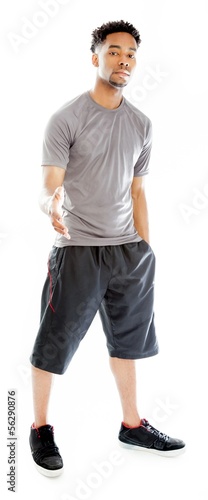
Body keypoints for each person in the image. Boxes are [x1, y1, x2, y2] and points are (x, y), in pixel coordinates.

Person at [29, 20, 185, 477]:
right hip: (77, 249)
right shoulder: (67, 118)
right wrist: (49, 205)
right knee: (53, 343)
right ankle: (39, 428)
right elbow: (49, 184)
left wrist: (146, 252)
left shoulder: (141, 123)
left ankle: (132, 424)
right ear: (94, 56)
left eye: (131, 54)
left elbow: (137, 192)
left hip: (128, 253)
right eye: (114, 51)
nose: (124, 60)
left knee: (128, 343)